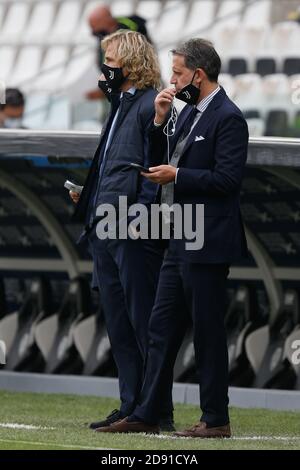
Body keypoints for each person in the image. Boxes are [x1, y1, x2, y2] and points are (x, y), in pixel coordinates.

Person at [96, 38, 249, 437]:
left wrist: (178, 176)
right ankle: (148, 411)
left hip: (208, 239)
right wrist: (161, 121)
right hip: (179, 235)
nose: (173, 79)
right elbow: (159, 161)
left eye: (179, 73)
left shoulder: (228, 118)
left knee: (207, 331)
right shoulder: (187, 115)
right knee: (160, 329)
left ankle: (216, 418)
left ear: (198, 74)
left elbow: (228, 180)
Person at [70, 30, 174, 431]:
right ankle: (132, 405)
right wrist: (92, 196)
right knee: (119, 323)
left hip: (132, 231)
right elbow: (118, 168)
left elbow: (155, 169)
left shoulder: (151, 104)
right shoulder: (121, 105)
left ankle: (154, 411)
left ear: (129, 65)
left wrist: (138, 219)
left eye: (109, 62)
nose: (104, 69)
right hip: (105, 227)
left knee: (142, 321)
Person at [86, 5, 151, 100]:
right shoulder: (103, 36)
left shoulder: (129, 30)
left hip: (139, 87)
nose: (94, 33)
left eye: (96, 30)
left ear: (107, 21)